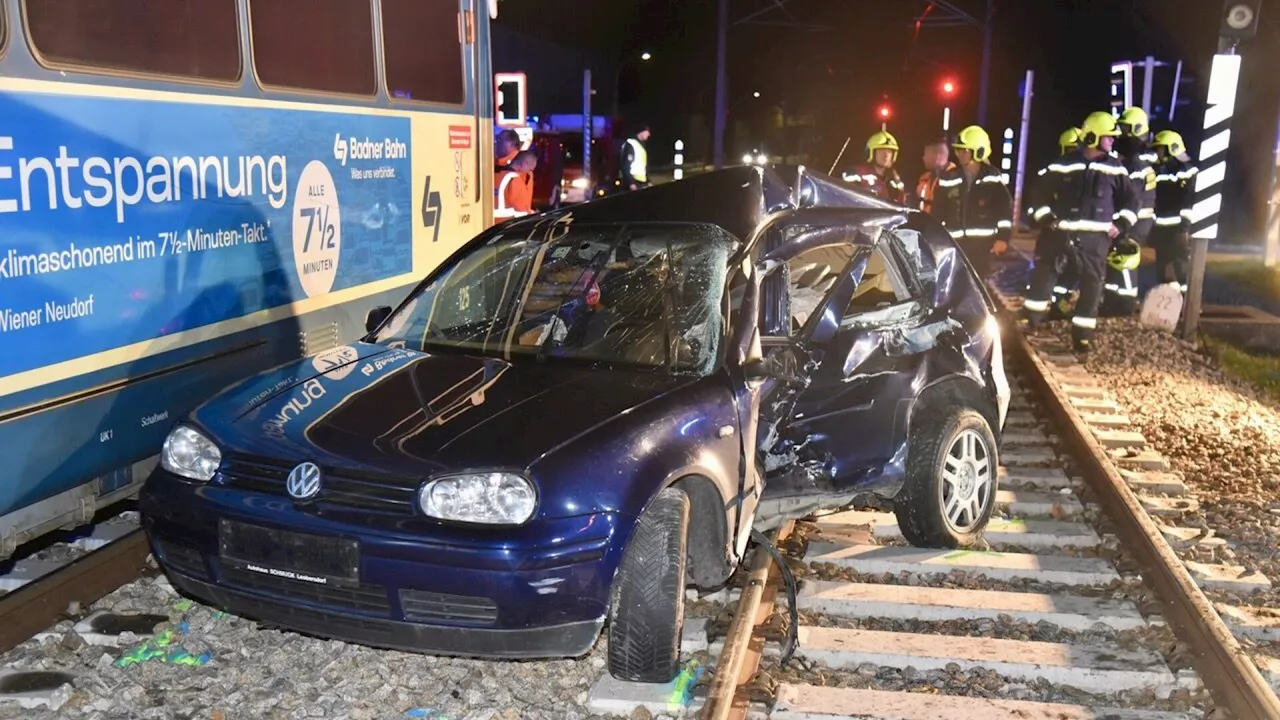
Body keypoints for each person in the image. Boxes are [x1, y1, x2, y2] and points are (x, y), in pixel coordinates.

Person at [1021, 111, 1138, 353]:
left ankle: (1081, 336)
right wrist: (1046, 218)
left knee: (1092, 286)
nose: (1112, 141)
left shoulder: (1115, 168)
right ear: (1093, 136)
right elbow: (1038, 194)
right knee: (1045, 274)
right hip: (1060, 233)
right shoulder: (1063, 164)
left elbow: (1132, 201)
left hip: (1096, 239)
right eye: (1108, 137)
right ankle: (1030, 321)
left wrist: (1121, 225)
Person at [931, 125, 1013, 280]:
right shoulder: (948, 177)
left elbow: (1004, 210)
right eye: (958, 150)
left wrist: (1002, 238)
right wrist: (935, 238)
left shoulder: (992, 177)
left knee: (978, 287)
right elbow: (937, 212)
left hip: (983, 247)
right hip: (954, 246)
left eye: (965, 150)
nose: (960, 154)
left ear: (978, 151)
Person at [1100, 106, 1159, 316]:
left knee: (1125, 261)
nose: (1120, 135)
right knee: (1116, 263)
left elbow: (1127, 198)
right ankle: (1111, 303)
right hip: (1133, 223)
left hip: (1134, 225)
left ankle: (1123, 306)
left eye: (1125, 130)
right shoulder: (1133, 163)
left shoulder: (1134, 166)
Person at [1149, 130, 1199, 293]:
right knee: (1163, 266)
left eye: (1161, 148)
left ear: (1172, 148)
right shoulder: (1157, 170)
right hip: (1161, 228)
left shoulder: (1187, 171)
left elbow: (1189, 200)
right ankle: (1166, 301)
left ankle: (1185, 301)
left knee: (1181, 265)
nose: (1158, 153)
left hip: (1179, 229)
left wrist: (1185, 227)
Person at [841, 130, 907, 205]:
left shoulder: (895, 182)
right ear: (871, 152)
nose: (886, 155)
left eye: (889, 151)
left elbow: (902, 206)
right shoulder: (855, 174)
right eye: (881, 150)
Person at [915, 137, 954, 214]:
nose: (923, 158)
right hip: (924, 224)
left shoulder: (954, 179)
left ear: (937, 157)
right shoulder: (924, 179)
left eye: (926, 154)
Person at [495, 150, 537, 220]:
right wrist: (533, 214)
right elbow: (522, 212)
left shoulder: (495, 174)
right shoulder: (515, 180)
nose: (529, 172)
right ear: (525, 163)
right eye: (530, 169)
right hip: (505, 224)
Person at [620, 125, 651, 191]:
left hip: (641, 181)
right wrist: (630, 182)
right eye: (647, 132)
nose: (649, 134)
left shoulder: (641, 145)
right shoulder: (631, 144)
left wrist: (648, 181)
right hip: (634, 181)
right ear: (641, 132)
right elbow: (625, 166)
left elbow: (643, 166)